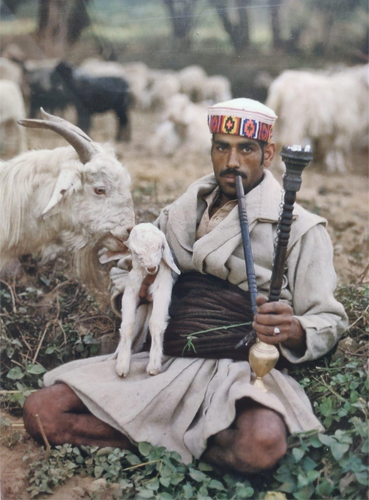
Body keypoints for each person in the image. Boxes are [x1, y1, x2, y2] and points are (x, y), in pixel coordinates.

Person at [23, 98, 348, 474]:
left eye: (246, 149)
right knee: (42, 412)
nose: (232, 162)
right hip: (167, 359)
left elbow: (329, 318)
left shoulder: (301, 229)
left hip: (240, 367)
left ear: (269, 153)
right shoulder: (177, 214)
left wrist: (293, 329)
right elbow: (126, 269)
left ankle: (149, 436)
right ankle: (188, 442)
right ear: (211, 150)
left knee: (262, 444)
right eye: (221, 147)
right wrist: (140, 288)